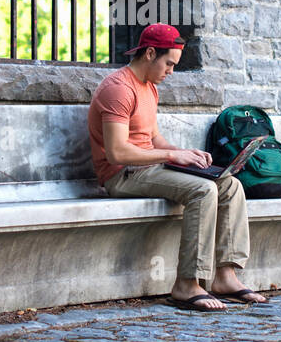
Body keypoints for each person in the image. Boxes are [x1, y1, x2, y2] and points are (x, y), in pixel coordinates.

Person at [87, 23, 268, 312]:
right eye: (169, 63)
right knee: (203, 189)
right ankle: (186, 283)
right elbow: (117, 152)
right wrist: (171, 157)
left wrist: (184, 153)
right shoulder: (118, 89)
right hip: (122, 175)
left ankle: (225, 276)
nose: (171, 71)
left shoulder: (149, 87)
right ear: (149, 53)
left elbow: (151, 137)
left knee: (230, 185)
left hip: (148, 168)